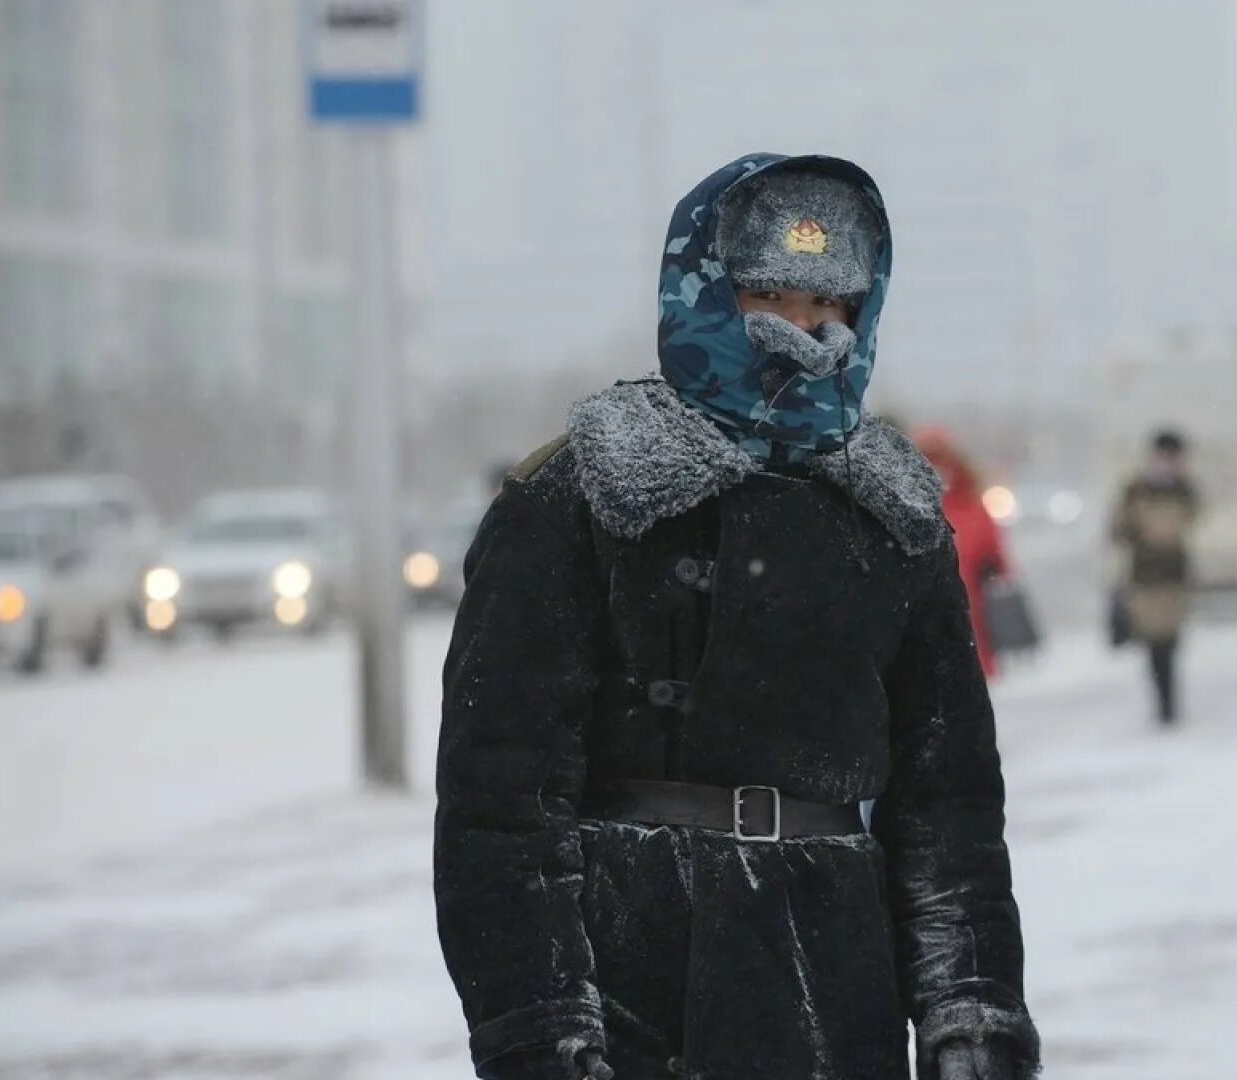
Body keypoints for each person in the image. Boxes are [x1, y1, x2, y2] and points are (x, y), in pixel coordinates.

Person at [433, 155, 1037, 1080]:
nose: (806, 332)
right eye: (773, 298)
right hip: (636, 983)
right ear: (705, 292)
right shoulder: (583, 493)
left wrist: (971, 1013)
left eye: (829, 306)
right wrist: (540, 1028)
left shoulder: (894, 512)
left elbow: (947, 803)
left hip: (836, 986)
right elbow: (502, 802)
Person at [1111, 430, 1199, 725]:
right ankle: (1164, 705)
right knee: (1154, 642)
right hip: (1146, 577)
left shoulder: (1183, 488)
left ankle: (1169, 703)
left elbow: (1193, 516)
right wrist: (1142, 532)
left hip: (1174, 576)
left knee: (1170, 641)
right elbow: (1118, 529)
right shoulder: (1137, 489)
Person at [913, 426, 1012, 678]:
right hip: (934, 614)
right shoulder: (914, 505)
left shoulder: (968, 504)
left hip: (964, 612)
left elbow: (993, 554)